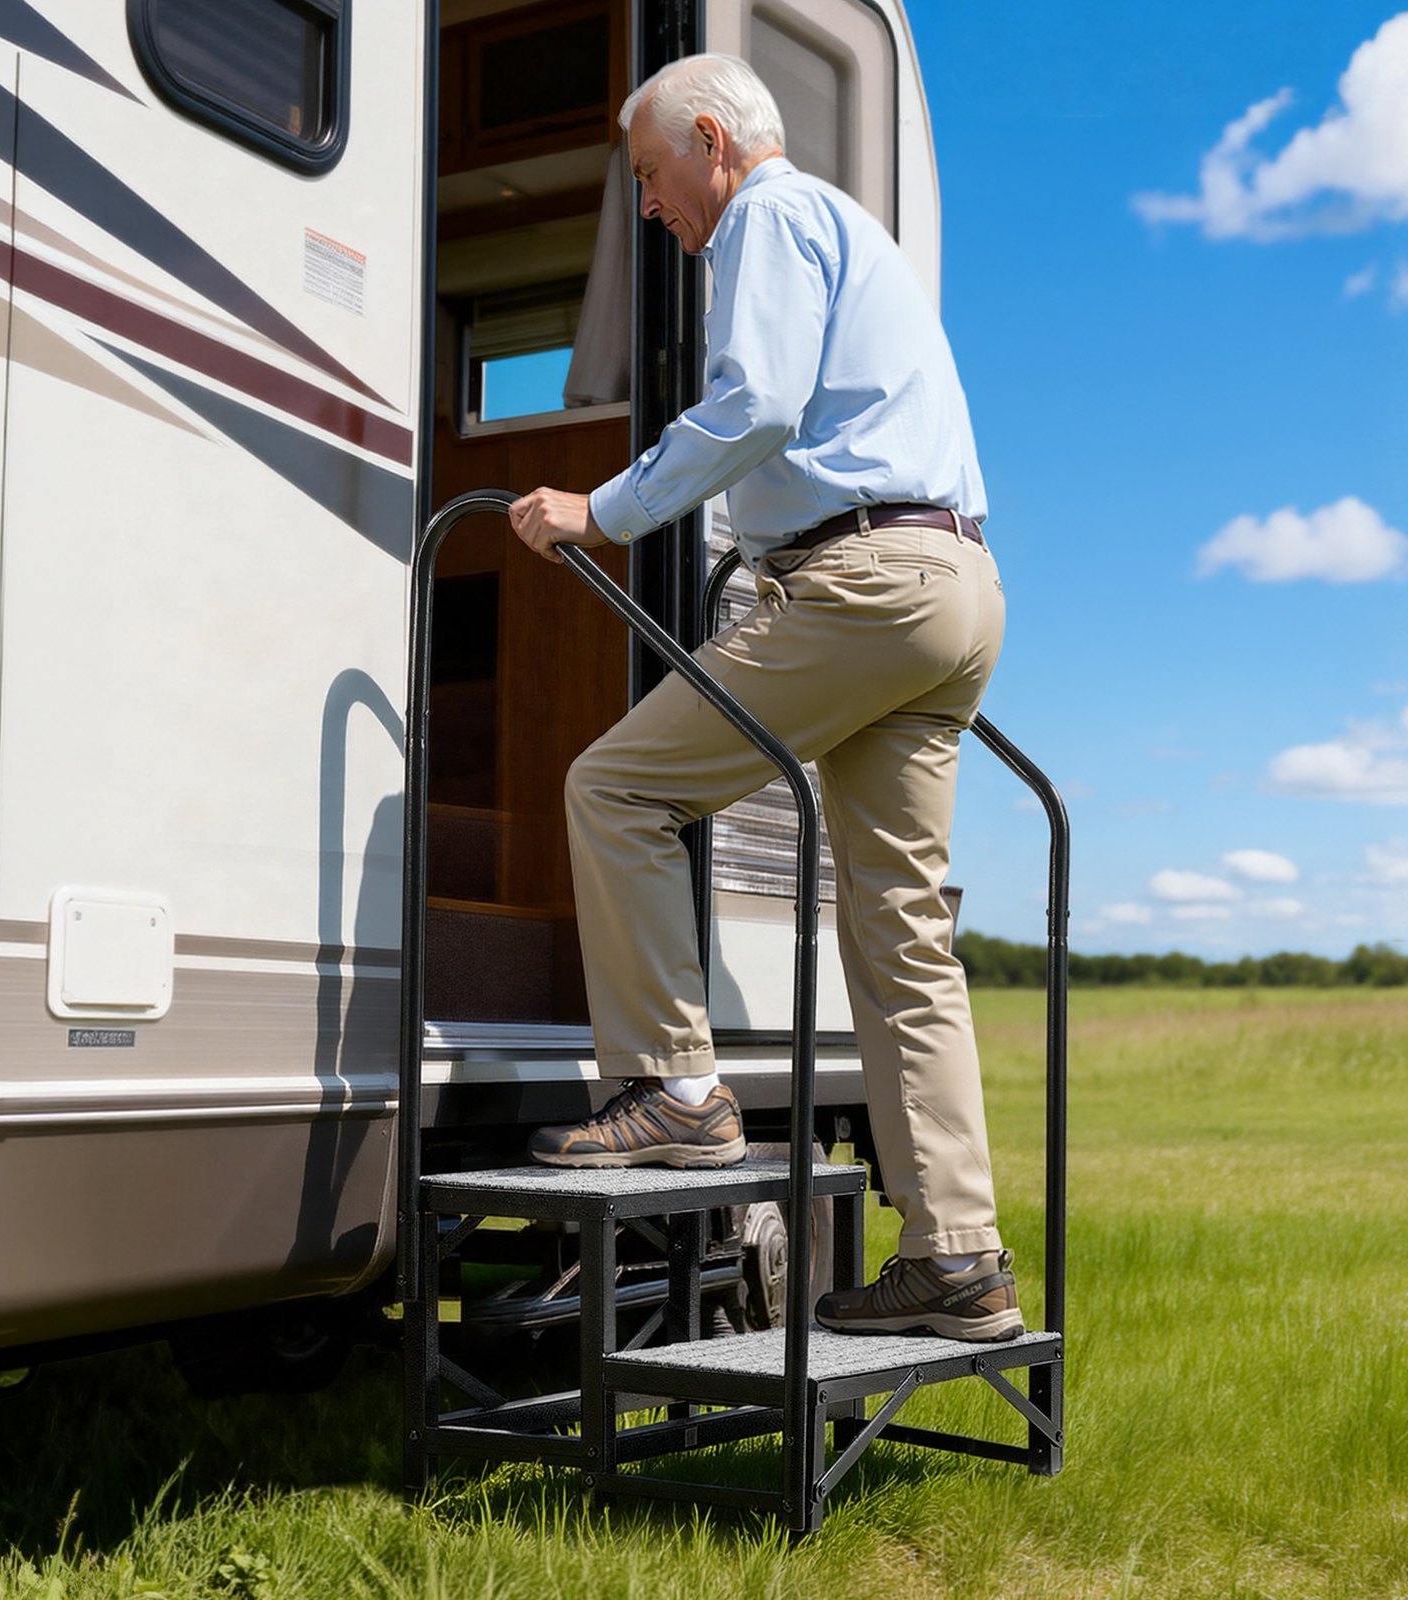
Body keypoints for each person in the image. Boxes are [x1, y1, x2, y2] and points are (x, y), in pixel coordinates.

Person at [507, 55, 1022, 1343]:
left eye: (649, 176)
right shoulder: (851, 228)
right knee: (898, 932)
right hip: (954, 585)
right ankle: (958, 1256)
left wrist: (601, 512)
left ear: (711, 142)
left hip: (865, 586)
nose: (651, 207)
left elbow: (756, 402)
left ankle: (677, 1086)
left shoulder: (770, 216)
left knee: (615, 785)